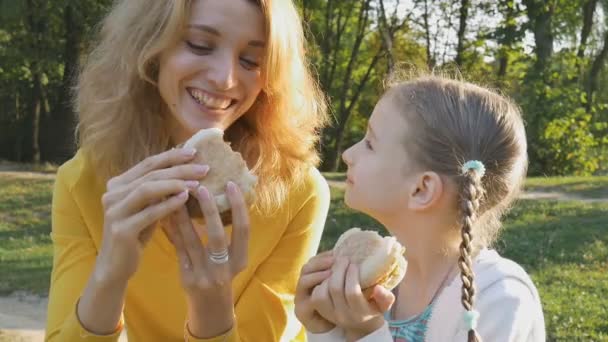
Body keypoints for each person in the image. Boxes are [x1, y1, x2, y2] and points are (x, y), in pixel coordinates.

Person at [45, 0, 330, 341]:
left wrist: (212, 308)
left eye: (251, 60)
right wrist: (109, 274)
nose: (225, 79)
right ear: (149, 47)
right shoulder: (84, 182)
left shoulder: (298, 193)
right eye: (199, 45)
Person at [295, 74, 546, 342]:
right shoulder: (371, 277)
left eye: (370, 143)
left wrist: (365, 334)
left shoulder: (500, 299)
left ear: (422, 189)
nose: (348, 154)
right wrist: (326, 328)